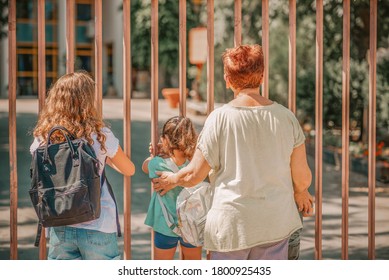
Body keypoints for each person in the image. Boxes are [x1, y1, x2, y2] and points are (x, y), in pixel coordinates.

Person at [152, 44, 314, 260]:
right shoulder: (286, 118)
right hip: (275, 225)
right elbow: (302, 179)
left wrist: (172, 178)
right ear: (263, 76)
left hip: (232, 227)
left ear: (227, 80)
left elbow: (193, 176)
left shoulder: (219, 118)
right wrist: (300, 191)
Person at [30, 71, 135, 260]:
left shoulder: (43, 137)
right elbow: (129, 169)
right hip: (98, 224)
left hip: (59, 222)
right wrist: (104, 158)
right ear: (87, 100)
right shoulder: (99, 135)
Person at [142, 116, 203, 260]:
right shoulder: (195, 164)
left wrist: (154, 154)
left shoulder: (157, 163)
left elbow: (145, 166)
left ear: (164, 140)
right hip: (192, 225)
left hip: (165, 225)